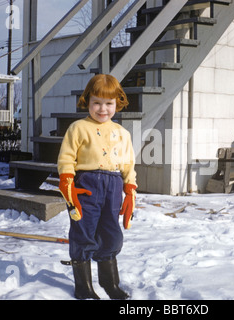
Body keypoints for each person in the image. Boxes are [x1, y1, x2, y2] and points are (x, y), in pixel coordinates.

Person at [57, 74, 137, 300]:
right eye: (97, 102)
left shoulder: (123, 133)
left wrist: (129, 189)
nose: (103, 109)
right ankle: (83, 287)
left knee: (112, 236)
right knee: (84, 232)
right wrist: (67, 183)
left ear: (117, 104)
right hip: (86, 187)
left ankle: (109, 283)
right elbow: (66, 159)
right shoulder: (78, 128)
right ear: (87, 101)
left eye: (109, 103)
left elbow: (129, 164)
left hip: (113, 187)